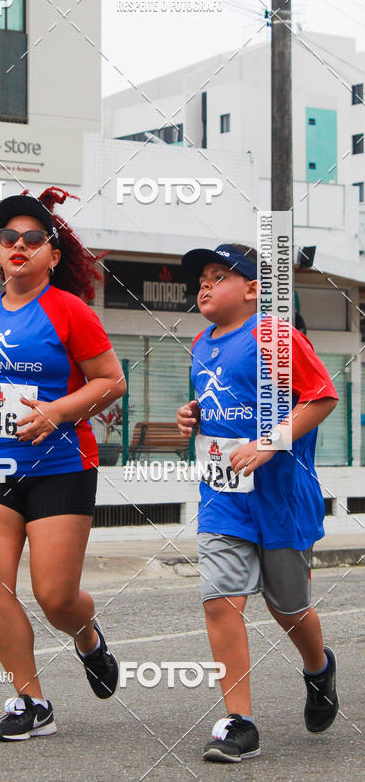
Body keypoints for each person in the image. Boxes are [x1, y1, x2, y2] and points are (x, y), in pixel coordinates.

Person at [0, 187, 126, 741]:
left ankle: (87, 636)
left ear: (52, 255)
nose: (20, 245)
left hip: (61, 468)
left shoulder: (69, 311)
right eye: (10, 236)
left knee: (55, 596)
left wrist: (57, 412)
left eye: (34, 238)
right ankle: (30, 701)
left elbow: (111, 382)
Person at [176, 243, 339, 763]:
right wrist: (195, 415)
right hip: (223, 496)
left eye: (219, 275)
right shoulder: (201, 344)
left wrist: (271, 442)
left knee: (287, 606)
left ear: (252, 289)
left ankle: (318, 669)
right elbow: (227, 401)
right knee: (221, 599)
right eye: (201, 277)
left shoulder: (273, 335)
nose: (204, 285)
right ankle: (238, 722)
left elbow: (321, 396)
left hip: (282, 496)